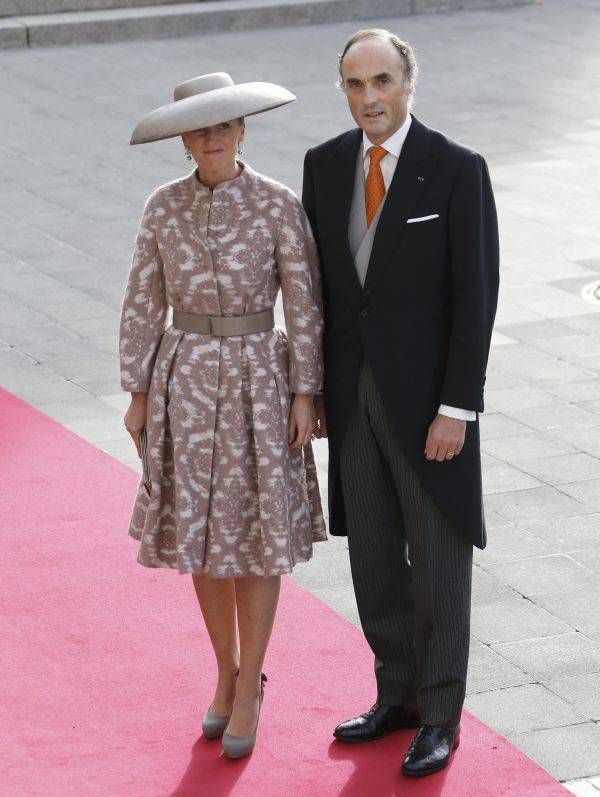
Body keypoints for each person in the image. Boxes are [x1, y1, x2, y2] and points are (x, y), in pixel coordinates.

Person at [302, 30, 499, 776]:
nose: (369, 99)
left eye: (382, 81)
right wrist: (315, 391)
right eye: (355, 85)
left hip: (429, 410)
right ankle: (399, 695)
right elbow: (323, 291)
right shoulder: (322, 166)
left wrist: (459, 407)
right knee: (377, 559)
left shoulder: (455, 170)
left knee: (440, 563)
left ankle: (441, 716)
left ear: (409, 83)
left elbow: (474, 298)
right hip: (352, 402)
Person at [119, 72, 327, 759]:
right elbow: (143, 299)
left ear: (242, 130)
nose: (211, 138)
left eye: (223, 125)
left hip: (257, 380)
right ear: (183, 138)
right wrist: (139, 390)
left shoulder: (277, 204)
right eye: (199, 129)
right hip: (185, 377)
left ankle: (253, 683)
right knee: (201, 535)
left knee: (256, 531)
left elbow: (303, 301)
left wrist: (306, 391)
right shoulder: (161, 207)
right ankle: (226, 670)